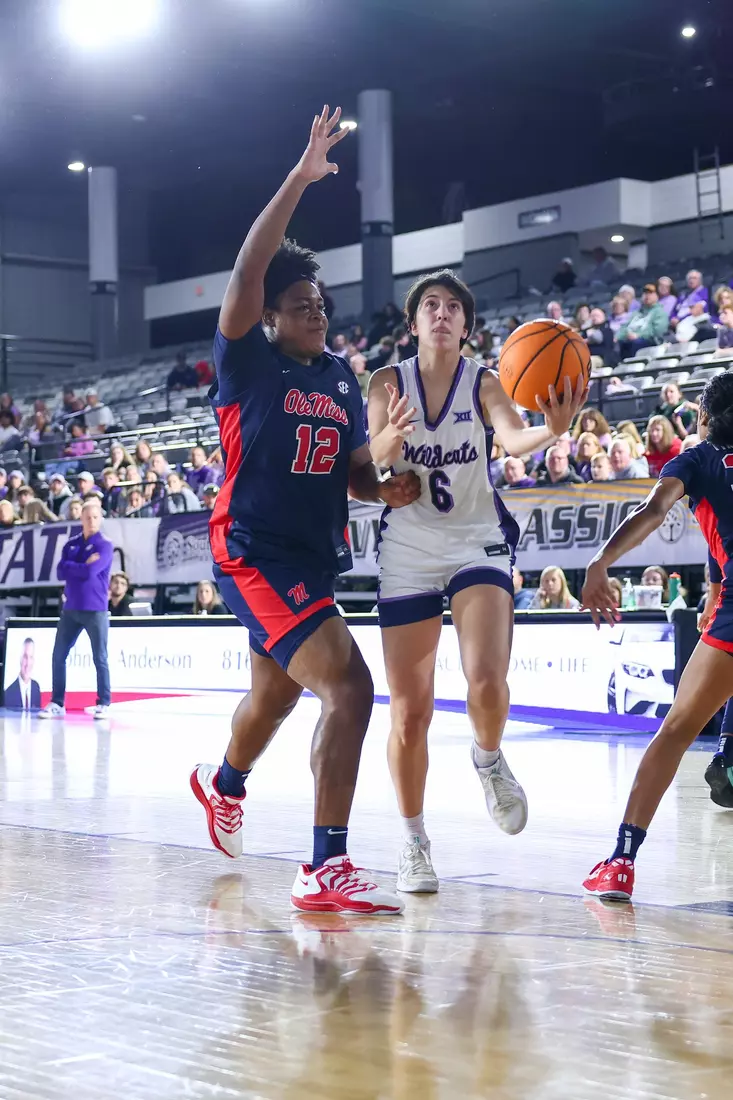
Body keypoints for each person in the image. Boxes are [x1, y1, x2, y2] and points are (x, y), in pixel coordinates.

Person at [190, 106, 419, 916]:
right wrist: (299, 177)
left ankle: (222, 784)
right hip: (255, 548)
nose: (315, 311)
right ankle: (324, 866)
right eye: (299, 303)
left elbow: (353, 472)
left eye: (319, 301)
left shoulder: (337, 378)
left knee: (279, 696)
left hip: (311, 552)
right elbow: (249, 271)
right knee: (350, 690)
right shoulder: (247, 361)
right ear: (270, 316)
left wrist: (383, 479)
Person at [367, 266, 585, 894]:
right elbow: (372, 455)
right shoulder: (388, 382)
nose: (441, 313)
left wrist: (555, 429)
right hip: (407, 548)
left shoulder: (483, 382)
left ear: (465, 326)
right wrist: (392, 434)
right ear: (413, 325)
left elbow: (515, 439)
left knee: (487, 679)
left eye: (452, 308)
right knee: (410, 714)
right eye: (429, 306)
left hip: (475, 542)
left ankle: (488, 759)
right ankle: (413, 842)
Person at [581, 372, 733, 901]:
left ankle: (621, 860)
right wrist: (714, 584)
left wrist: (602, 561)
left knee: (675, 733)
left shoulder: (699, 459)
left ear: (702, 419)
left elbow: (652, 511)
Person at [39, 499, 113, 721]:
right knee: (58, 655)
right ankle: (57, 702)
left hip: (95, 609)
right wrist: (81, 566)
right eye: (87, 517)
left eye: (95, 517)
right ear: (81, 518)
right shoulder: (70, 544)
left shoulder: (105, 545)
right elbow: (61, 571)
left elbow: (92, 572)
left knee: (100, 657)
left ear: (100, 519)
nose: (91, 521)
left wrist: (75, 567)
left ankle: (104, 702)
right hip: (71, 608)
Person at [614, 284, 669, 361]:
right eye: (645, 293)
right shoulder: (637, 313)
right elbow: (625, 326)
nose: (647, 296)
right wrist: (618, 337)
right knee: (617, 344)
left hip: (650, 342)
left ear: (657, 296)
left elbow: (657, 332)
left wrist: (638, 335)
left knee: (636, 343)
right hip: (631, 340)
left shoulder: (660, 312)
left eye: (650, 294)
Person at [4, 637, 42, 710]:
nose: (28, 663)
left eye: (31, 657)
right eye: (25, 657)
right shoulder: (8, 693)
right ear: (20, 659)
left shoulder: (36, 687)